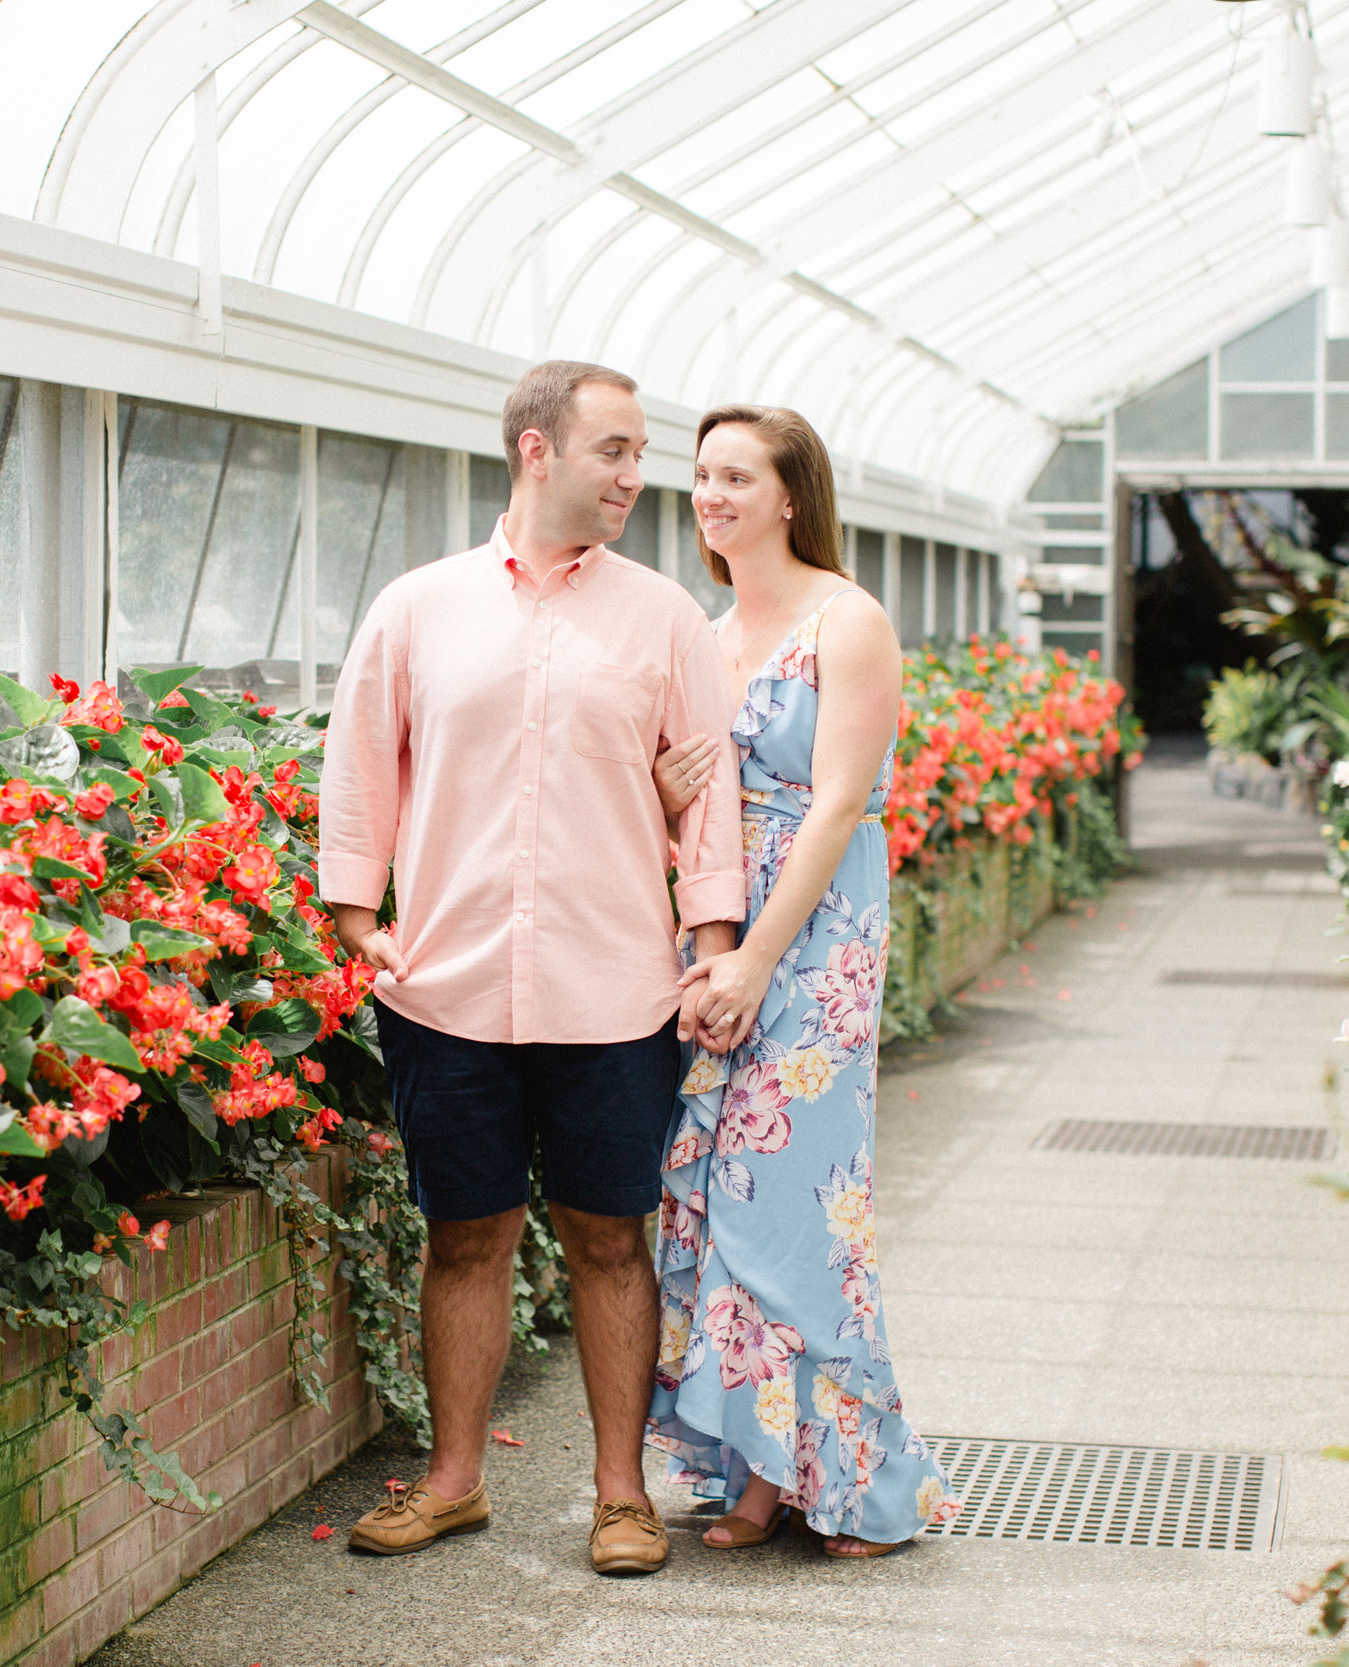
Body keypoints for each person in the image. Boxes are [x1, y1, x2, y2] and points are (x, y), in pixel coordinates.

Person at [319, 361, 744, 1576]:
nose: (634, 475)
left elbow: (705, 798)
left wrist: (711, 943)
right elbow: (362, 764)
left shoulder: (663, 616)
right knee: (465, 1234)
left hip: (614, 985)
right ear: (535, 449)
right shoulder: (417, 606)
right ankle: (453, 1482)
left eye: (639, 453)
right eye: (613, 449)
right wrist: (358, 920)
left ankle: (622, 1495)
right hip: (448, 986)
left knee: (611, 1238)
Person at [643, 404, 958, 1557]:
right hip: (717, 929)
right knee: (725, 1192)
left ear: (789, 495)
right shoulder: (705, 630)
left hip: (813, 942)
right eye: (701, 476)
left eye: (738, 476)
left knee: (797, 1205)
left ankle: (865, 1483)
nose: (712, 495)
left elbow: (835, 804)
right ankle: (763, 1467)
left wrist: (757, 957)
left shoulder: (847, 619)